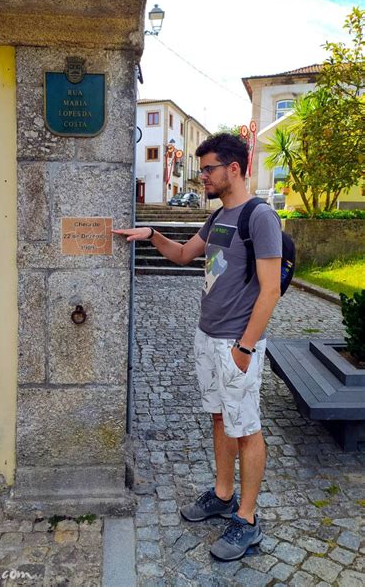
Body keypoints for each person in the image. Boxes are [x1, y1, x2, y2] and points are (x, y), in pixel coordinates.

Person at [113, 133, 282, 561]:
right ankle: (223, 495)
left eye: (208, 168)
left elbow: (270, 290)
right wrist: (152, 234)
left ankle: (247, 519)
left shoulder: (260, 217)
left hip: (236, 344)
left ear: (234, 169)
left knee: (246, 428)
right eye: (202, 168)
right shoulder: (218, 217)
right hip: (208, 337)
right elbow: (184, 255)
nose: (202, 175)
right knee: (220, 419)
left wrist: (244, 348)